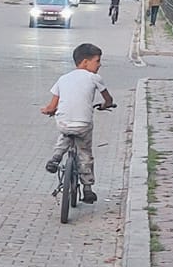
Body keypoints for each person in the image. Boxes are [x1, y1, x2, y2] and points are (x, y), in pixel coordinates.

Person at [38, 42, 115, 204]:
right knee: (85, 152)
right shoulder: (95, 78)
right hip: (83, 124)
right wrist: (106, 105)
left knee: (65, 132)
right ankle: (87, 189)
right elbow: (108, 99)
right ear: (85, 62)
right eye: (97, 61)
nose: (100, 65)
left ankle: (56, 157)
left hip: (63, 121)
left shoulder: (63, 79)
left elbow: (53, 106)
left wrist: (48, 110)